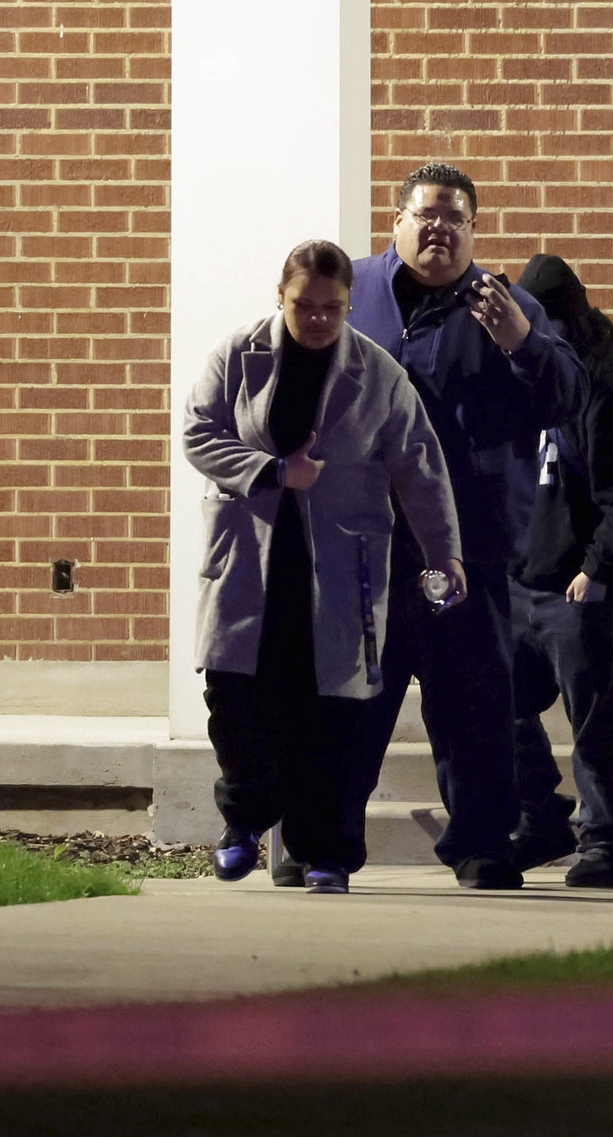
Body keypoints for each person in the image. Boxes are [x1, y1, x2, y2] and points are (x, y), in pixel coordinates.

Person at [183, 240, 463, 895]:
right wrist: (274, 471)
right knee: (234, 700)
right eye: (303, 305)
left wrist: (444, 549)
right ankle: (244, 821)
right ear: (279, 296)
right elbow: (198, 432)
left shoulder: (378, 373)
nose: (315, 319)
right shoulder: (236, 356)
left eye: (331, 308)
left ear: (347, 306)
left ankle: (325, 853)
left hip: (338, 568)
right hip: (249, 563)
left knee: (333, 717)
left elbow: (419, 465)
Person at [345, 164, 591, 892]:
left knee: (476, 710)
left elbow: (570, 398)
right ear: (395, 220)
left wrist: (522, 341)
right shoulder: (352, 291)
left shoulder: (505, 304)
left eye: (456, 219)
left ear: (474, 231)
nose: (439, 229)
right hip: (369, 547)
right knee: (353, 704)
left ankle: (480, 845)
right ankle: (321, 840)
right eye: (426, 215)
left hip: (472, 549)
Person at [503, 254, 613, 888]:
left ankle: (607, 841)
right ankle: (540, 816)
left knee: (595, 721)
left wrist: (598, 569)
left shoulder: (603, 390)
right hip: (520, 580)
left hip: (582, 587)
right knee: (497, 705)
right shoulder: (516, 382)